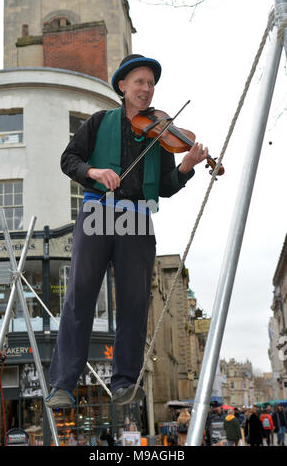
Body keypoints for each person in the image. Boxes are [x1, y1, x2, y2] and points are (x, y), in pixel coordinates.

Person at [45, 54, 208, 409]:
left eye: (151, 83)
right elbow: (68, 159)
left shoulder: (161, 132)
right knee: (80, 296)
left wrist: (186, 166)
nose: (147, 89)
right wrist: (94, 172)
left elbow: (164, 186)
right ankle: (62, 385)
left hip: (136, 216)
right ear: (122, 86)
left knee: (135, 303)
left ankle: (123, 383)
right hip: (97, 210)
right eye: (140, 81)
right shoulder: (100, 121)